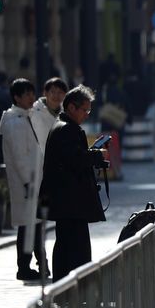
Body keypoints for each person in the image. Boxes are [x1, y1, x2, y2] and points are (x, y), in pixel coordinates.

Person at [38, 86, 107, 281]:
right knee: (75, 246)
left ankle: (66, 285)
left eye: (88, 110)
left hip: (67, 201)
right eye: (84, 110)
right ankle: (75, 286)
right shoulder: (67, 129)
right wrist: (96, 155)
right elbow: (75, 160)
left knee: (67, 244)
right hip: (70, 201)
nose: (86, 114)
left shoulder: (62, 126)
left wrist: (92, 154)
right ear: (71, 107)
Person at [0, 79, 45, 281]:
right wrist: (28, 182)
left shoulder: (26, 117)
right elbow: (20, 158)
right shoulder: (15, 122)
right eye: (27, 94)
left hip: (34, 180)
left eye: (32, 94)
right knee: (28, 227)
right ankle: (25, 267)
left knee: (34, 225)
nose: (31, 98)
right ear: (16, 97)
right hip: (27, 182)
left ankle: (40, 264)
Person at [31, 77, 69, 199]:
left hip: (60, 165)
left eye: (60, 92)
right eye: (53, 91)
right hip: (37, 163)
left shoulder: (68, 114)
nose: (56, 96)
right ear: (45, 93)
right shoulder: (33, 112)